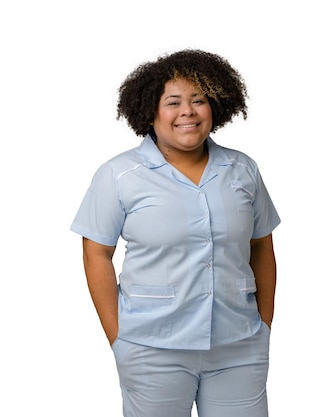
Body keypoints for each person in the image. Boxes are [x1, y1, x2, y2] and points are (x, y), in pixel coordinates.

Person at [70, 49, 281, 417]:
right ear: (149, 112)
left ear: (215, 106)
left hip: (239, 345)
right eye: (173, 102)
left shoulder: (243, 169)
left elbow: (261, 246)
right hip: (152, 349)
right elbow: (96, 254)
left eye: (198, 100)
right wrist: (119, 339)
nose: (188, 111)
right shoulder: (119, 175)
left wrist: (263, 323)